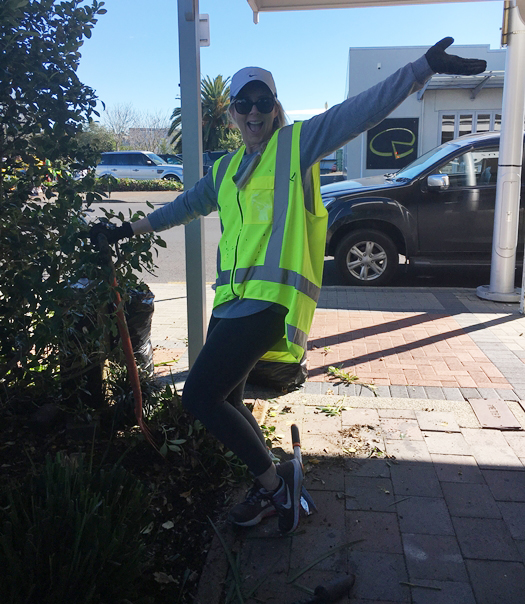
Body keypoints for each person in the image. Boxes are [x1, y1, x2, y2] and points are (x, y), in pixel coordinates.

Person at [89, 38, 486, 534]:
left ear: (274, 107)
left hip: (269, 303)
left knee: (199, 398)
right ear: (232, 112)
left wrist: (420, 69)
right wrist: (126, 230)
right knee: (228, 401)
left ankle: (279, 494)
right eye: (243, 104)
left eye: (263, 102)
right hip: (231, 303)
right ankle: (273, 482)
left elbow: (357, 113)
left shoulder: (296, 146)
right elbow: (184, 206)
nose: (253, 113)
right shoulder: (227, 170)